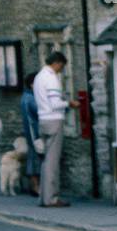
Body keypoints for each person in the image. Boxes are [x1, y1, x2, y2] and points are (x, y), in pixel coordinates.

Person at [33, 51, 71, 208]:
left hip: (43, 120)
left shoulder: (38, 77)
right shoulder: (51, 79)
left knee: (45, 160)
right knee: (52, 162)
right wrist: (69, 103)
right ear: (57, 63)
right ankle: (51, 198)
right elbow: (55, 103)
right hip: (54, 119)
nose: (61, 70)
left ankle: (43, 196)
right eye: (61, 67)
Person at [20, 72, 42, 197]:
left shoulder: (27, 97)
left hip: (32, 131)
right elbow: (40, 112)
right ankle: (35, 186)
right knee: (35, 158)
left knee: (33, 157)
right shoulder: (30, 99)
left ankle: (34, 185)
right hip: (34, 132)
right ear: (32, 84)